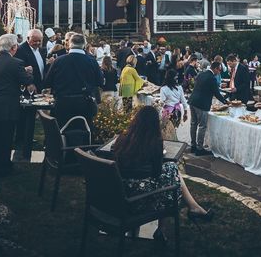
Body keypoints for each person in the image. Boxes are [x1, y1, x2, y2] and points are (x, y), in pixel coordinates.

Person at [113, 106, 212, 245]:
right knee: (171, 174)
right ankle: (164, 227)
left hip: (120, 195)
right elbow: (156, 173)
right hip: (138, 201)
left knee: (171, 172)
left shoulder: (122, 139)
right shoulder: (154, 143)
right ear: (155, 124)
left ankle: (193, 207)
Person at [0, 34, 34, 176]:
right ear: (13, 47)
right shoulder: (16, 63)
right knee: (5, 138)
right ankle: (3, 167)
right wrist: (28, 72)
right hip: (6, 107)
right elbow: (27, 81)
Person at [43, 33, 103, 129]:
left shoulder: (58, 61)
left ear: (70, 44)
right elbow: (100, 82)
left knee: (61, 131)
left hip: (63, 103)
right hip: (84, 103)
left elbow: (47, 82)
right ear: (84, 45)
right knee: (84, 131)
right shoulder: (91, 61)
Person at [188, 61, 227, 155]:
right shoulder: (212, 78)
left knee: (193, 124)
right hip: (202, 104)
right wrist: (225, 102)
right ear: (216, 68)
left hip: (192, 101)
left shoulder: (201, 74)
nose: (219, 72)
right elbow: (216, 93)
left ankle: (193, 146)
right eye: (219, 70)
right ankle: (199, 148)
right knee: (202, 126)